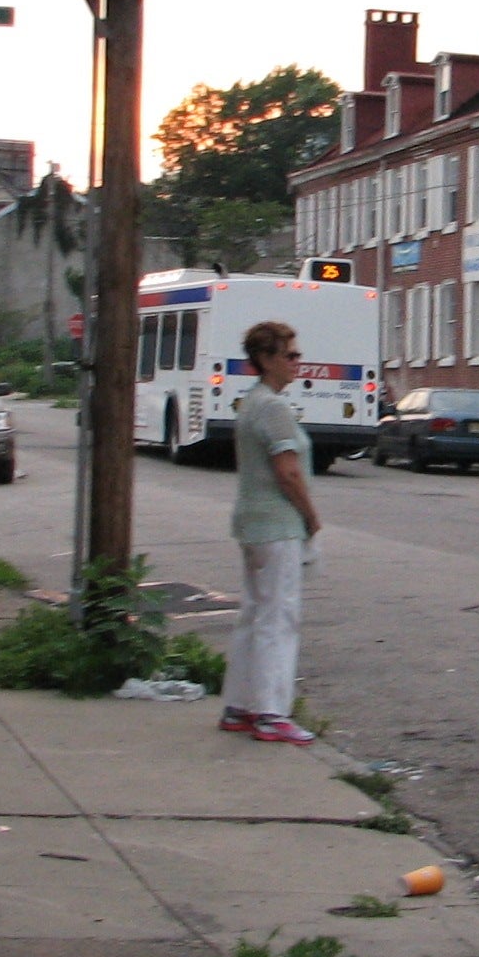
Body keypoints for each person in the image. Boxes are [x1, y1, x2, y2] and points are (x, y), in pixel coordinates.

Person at [221, 318, 321, 745]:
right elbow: (288, 471)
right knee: (279, 617)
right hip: (278, 525)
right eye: (290, 355)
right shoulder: (275, 409)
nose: (297, 363)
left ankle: (240, 704)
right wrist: (311, 517)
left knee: (255, 613)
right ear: (266, 359)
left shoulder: (252, 403)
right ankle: (271, 712)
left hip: (251, 522)